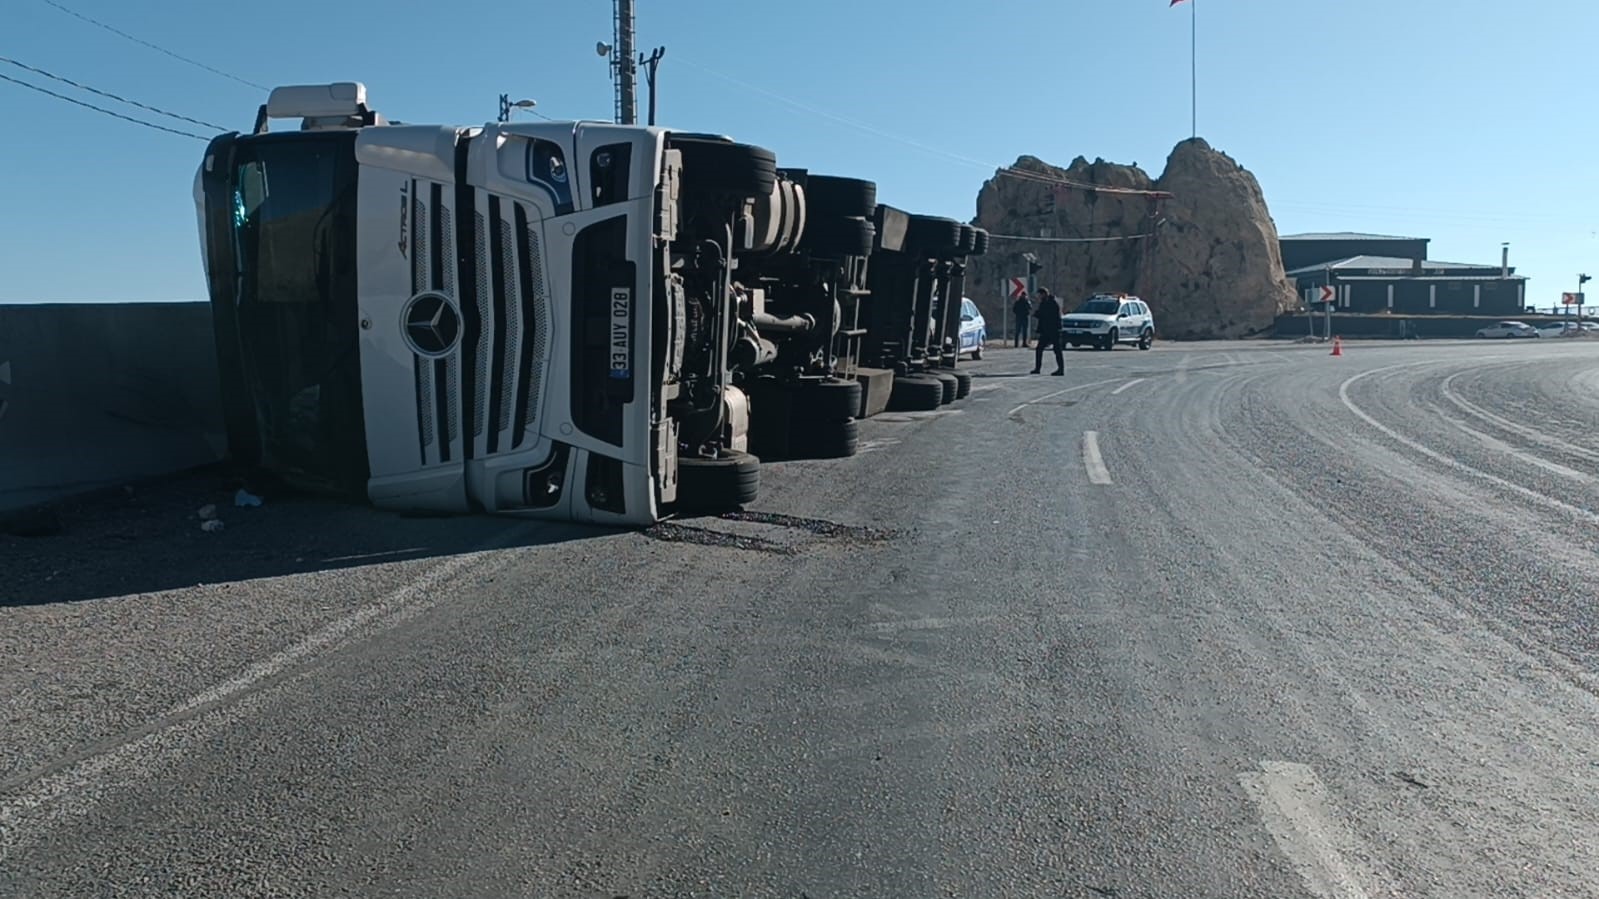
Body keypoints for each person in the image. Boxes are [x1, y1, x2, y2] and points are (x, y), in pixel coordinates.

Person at [1030, 288, 1064, 375]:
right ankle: (1037, 368)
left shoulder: (1052, 303)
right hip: (1046, 330)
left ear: (1044, 294)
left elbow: (1047, 315)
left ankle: (1061, 369)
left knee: (1057, 350)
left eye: (1040, 294)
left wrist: (1037, 314)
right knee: (1039, 349)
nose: (1039, 297)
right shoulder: (1044, 302)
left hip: (1053, 330)